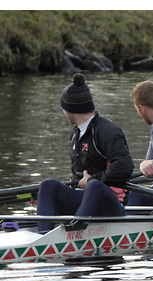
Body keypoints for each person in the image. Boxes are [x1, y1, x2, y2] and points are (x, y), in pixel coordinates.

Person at [37, 73, 134, 233]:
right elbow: (78, 176)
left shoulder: (107, 130)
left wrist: (93, 180)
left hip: (110, 204)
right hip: (85, 200)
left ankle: (75, 233)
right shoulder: (76, 133)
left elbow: (124, 167)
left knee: (94, 185)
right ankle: (42, 237)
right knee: (48, 186)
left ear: (69, 108)